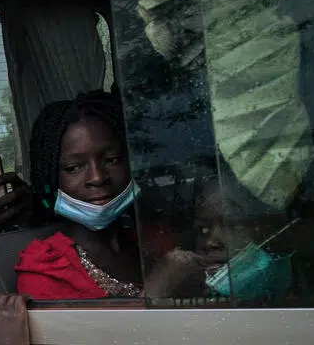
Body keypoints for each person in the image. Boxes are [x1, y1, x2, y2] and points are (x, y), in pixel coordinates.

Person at [12, 92, 191, 299]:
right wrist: (159, 286)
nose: (97, 178)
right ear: (51, 177)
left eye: (112, 160)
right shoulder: (45, 271)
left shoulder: (155, 239)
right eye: (74, 168)